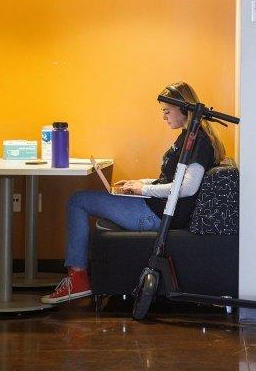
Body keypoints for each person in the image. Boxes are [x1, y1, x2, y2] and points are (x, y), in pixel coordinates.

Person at [41, 81, 226, 303]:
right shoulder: (189, 136)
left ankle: (78, 279)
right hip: (155, 207)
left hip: (156, 216)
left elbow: (187, 187)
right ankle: (78, 277)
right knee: (82, 199)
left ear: (185, 109)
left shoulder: (199, 142)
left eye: (167, 111)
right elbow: (172, 180)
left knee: (77, 201)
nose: (164, 117)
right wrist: (138, 183)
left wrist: (144, 189)